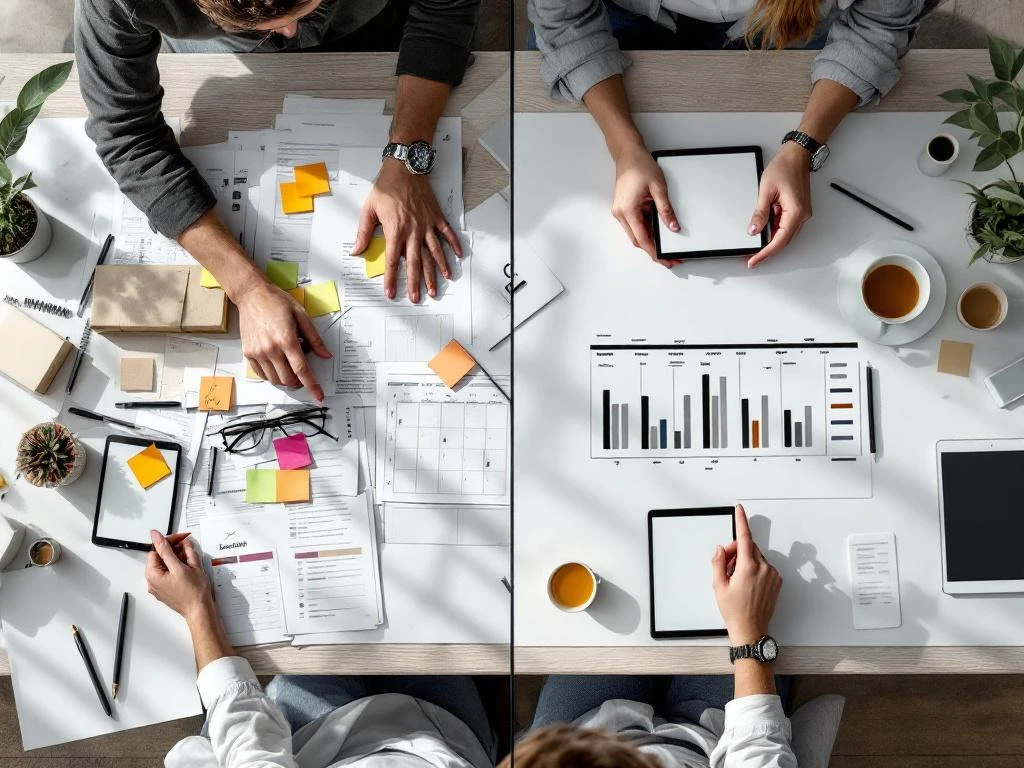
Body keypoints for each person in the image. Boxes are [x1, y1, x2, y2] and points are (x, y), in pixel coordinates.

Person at [75, 0, 478, 400]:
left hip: (375, 37)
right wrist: (246, 288)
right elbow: (126, 134)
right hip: (220, 62)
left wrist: (408, 154)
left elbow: (444, 12)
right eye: (269, 23)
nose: (289, 33)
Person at [528, 0, 931, 268]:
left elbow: (878, 25)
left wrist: (802, 146)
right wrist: (623, 145)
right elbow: (565, 22)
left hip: (792, 22)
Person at [145, 528, 500, 768]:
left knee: (330, 608)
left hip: (316, 744)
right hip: (447, 738)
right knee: (414, 596)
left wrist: (197, 607)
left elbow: (250, 745)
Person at [503, 504, 796, 768]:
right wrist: (750, 633)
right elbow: (761, 752)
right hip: (710, 744)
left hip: (584, 730)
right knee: (775, 596)